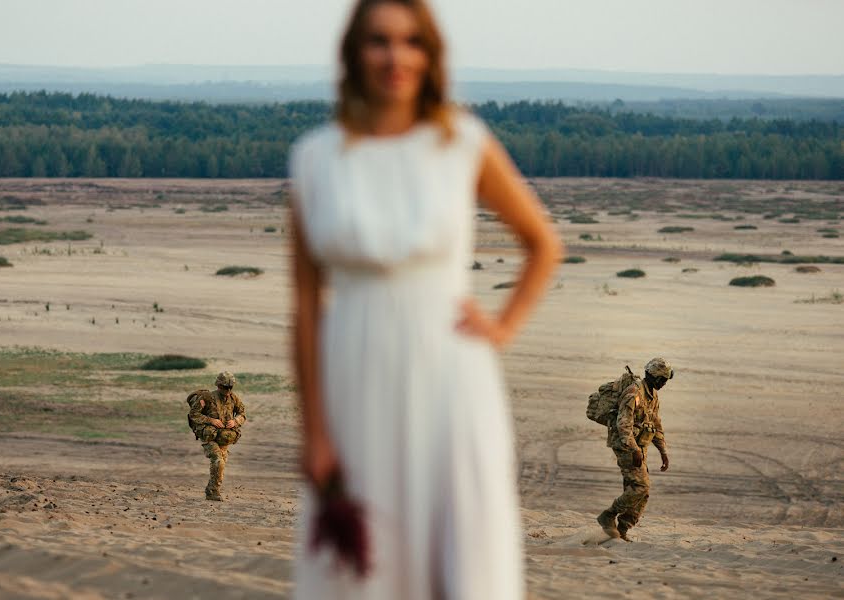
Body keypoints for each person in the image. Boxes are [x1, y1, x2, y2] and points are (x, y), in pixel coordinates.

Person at [289, 1, 563, 597]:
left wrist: (503, 326)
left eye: (411, 41)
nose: (395, 56)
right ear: (354, 53)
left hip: (450, 378)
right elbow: (306, 308)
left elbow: (543, 244)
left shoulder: (461, 141)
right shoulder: (315, 158)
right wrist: (313, 433)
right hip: (352, 380)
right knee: (360, 570)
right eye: (379, 41)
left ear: (430, 55)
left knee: (461, 560)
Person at [597, 358, 673, 541]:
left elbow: (656, 424)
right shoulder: (633, 394)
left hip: (640, 447)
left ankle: (621, 531)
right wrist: (633, 450)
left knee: (638, 491)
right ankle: (608, 515)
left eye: (665, 380)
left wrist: (663, 451)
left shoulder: (652, 396)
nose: (663, 384)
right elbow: (623, 426)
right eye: (661, 380)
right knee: (641, 487)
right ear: (652, 377)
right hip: (626, 446)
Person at [187, 371, 247, 501]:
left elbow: (242, 413)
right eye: (226, 387)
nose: (228, 390)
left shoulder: (233, 398)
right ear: (219, 386)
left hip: (224, 437)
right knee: (218, 461)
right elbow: (193, 414)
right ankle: (213, 492)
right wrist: (211, 420)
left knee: (221, 464)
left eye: (230, 387)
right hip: (209, 436)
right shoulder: (207, 397)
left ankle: (212, 490)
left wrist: (235, 421)